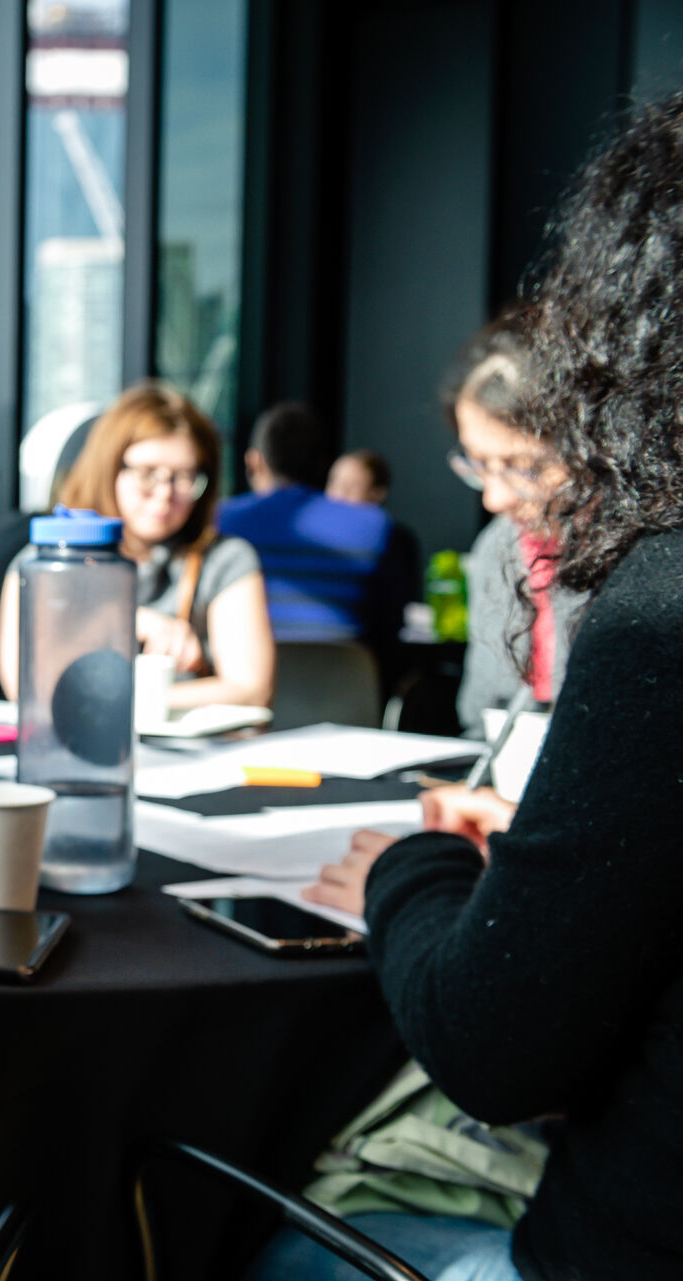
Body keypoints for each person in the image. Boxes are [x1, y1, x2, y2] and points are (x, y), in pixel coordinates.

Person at [280, 92, 683, 1281]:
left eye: (526, 461)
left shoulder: (659, 602)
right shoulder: (516, 563)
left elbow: (498, 1049)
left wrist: (409, 872)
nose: (506, 492)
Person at [0, 382, 274, 709]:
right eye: (147, 473)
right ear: (109, 467)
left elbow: (252, 689)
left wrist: (122, 703)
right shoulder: (47, 563)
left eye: (185, 476)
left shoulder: (224, 560)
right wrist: (127, 619)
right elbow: (24, 685)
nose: (165, 492)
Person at [440, 309, 582, 734]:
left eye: (526, 468)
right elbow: (481, 722)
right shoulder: (500, 546)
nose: (494, 497)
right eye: (479, 464)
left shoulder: (645, 562)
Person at [218, 402, 415, 660]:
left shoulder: (221, 520)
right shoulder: (375, 526)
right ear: (323, 464)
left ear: (255, 462)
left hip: (241, 684)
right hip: (349, 691)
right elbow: (389, 628)